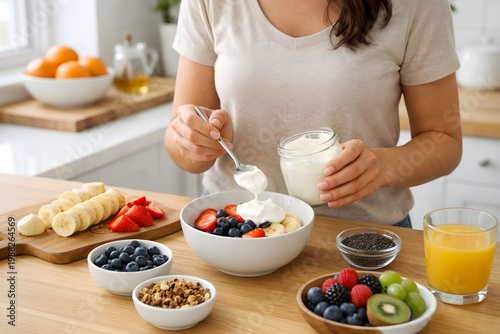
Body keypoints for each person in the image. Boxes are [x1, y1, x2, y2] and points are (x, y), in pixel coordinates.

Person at [164, 0, 462, 228]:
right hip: (233, 232)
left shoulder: (415, 6)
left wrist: (382, 167)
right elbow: (182, 148)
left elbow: (445, 140)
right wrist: (194, 140)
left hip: (360, 239)